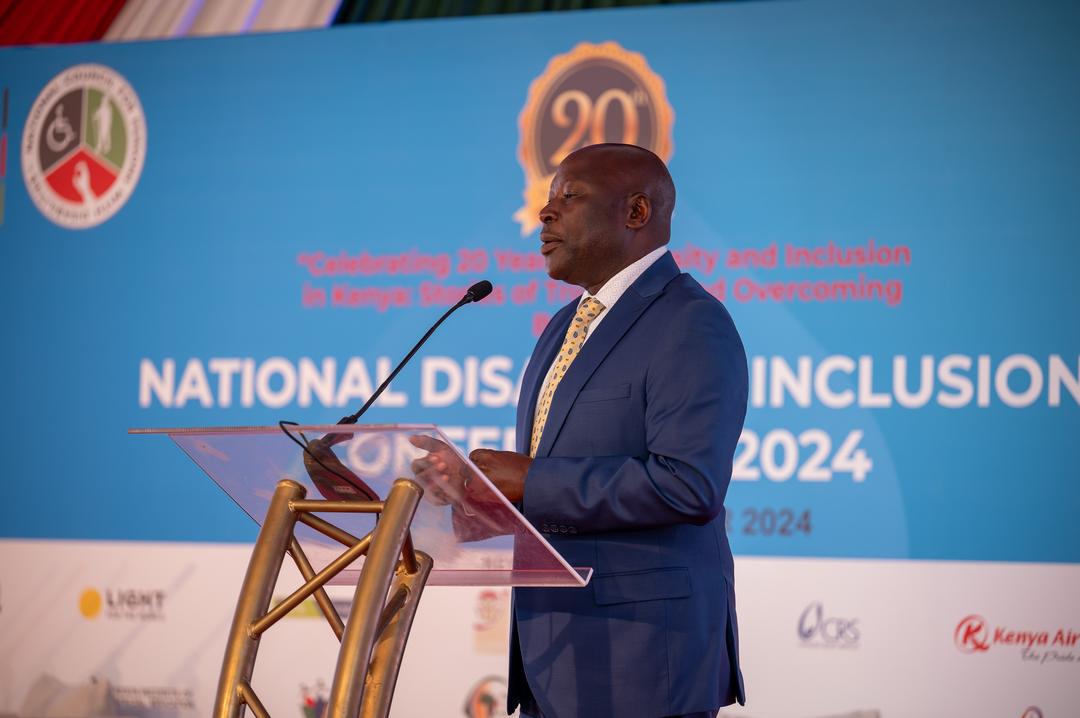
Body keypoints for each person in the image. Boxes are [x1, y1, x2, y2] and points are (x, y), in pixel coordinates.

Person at [415, 143, 747, 718]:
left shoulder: (690, 321)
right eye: (548, 199)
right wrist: (472, 490)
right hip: (552, 654)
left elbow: (688, 485)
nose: (545, 213)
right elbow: (551, 488)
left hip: (644, 658)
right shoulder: (564, 325)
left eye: (569, 197)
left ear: (636, 212)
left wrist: (531, 479)